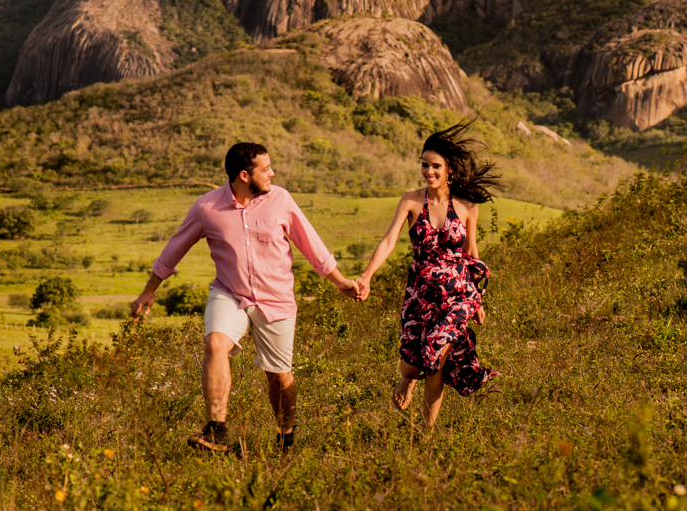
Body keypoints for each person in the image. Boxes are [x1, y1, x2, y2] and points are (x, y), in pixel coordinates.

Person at [130, 142, 362, 453]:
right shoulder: (206, 208)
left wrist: (340, 281)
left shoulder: (281, 200)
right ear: (243, 175)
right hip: (230, 292)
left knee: (278, 377)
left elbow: (311, 244)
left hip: (276, 298)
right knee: (214, 343)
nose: (273, 173)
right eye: (265, 170)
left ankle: (285, 435)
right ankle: (216, 430)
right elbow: (176, 247)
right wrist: (149, 290)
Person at [356, 120, 501, 427]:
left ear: (449, 169)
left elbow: (471, 254)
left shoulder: (466, 206)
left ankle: (426, 435)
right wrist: (366, 276)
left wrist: (478, 300)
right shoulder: (411, 200)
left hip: (457, 297)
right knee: (411, 366)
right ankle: (408, 381)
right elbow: (389, 240)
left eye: (435, 166)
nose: (429, 172)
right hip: (420, 295)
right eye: (424, 165)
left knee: (436, 361)